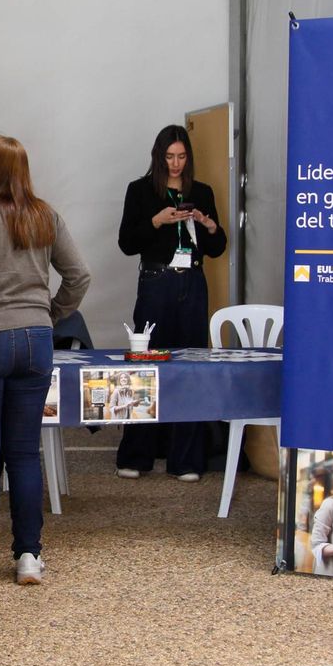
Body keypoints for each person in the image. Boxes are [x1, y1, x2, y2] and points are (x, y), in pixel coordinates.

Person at [0, 134, 89, 588]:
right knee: (26, 452)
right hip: (37, 340)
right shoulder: (45, 214)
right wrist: (52, 312)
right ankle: (29, 556)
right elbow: (79, 275)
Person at [115, 125, 226, 481]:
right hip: (156, 281)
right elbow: (127, 242)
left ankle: (187, 459)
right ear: (158, 157)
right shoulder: (141, 191)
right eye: (169, 157)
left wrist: (208, 226)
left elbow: (218, 247)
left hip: (192, 282)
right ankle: (136, 454)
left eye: (181, 157)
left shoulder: (202, 192)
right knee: (145, 364)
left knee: (190, 364)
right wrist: (156, 220)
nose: (176, 164)